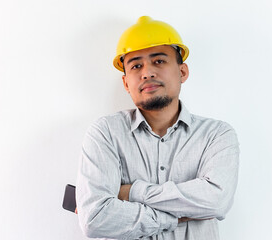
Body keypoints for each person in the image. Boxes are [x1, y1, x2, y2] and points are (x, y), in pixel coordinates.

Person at [76, 16, 240, 240]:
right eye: (136, 66)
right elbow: (95, 219)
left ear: (182, 72)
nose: (147, 73)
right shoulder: (106, 133)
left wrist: (132, 192)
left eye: (159, 61)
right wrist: (173, 218)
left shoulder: (216, 135)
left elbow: (217, 200)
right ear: (126, 83)